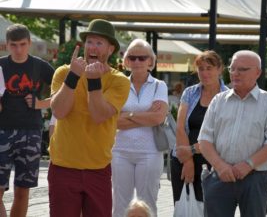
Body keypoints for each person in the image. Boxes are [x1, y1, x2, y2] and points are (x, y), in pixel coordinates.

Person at [48, 19, 130, 217]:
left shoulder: (119, 81)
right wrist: (73, 77)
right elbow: (59, 111)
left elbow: (99, 115)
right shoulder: (63, 72)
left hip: (97, 168)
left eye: (99, 43)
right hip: (62, 166)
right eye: (89, 42)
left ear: (110, 49)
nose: (92, 47)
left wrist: (94, 82)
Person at [198, 50, 267, 217]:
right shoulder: (218, 101)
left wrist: (248, 164)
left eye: (242, 69)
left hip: (255, 178)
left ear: (258, 72)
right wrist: (220, 166)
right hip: (219, 175)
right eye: (232, 69)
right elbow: (204, 140)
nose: (235, 73)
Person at [0, 24, 55, 217]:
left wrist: (41, 103)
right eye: (13, 45)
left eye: (22, 44)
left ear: (29, 43)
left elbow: (65, 92)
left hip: (30, 132)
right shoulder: (0, 65)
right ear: (7, 45)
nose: (18, 49)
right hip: (2, 131)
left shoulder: (40, 66)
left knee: (23, 190)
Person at [111, 39, 168, 217]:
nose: (137, 62)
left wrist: (127, 115)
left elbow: (158, 118)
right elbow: (112, 121)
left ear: (150, 61)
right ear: (126, 61)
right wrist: (145, 116)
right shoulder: (118, 85)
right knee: (120, 204)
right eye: (132, 57)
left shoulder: (159, 85)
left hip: (150, 152)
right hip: (120, 150)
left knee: (148, 204)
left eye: (142, 58)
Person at [170, 51, 228, 208]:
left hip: (212, 162)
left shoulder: (228, 97)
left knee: (210, 209)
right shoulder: (190, 92)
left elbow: (221, 135)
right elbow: (180, 127)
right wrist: (187, 160)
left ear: (220, 69)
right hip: (182, 159)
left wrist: (192, 150)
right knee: (184, 208)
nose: (204, 73)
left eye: (209, 68)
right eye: (201, 68)